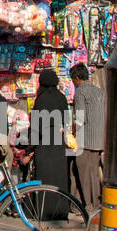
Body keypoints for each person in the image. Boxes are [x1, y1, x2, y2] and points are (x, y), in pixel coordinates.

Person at [30, 68, 72, 220]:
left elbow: (36, 125)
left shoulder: (41, 99)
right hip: (58, 143)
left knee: (45, 176)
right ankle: (60, 211)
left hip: (44, 144)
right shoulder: (61, 97)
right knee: (59, 177)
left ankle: (44, 211)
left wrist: (30, 146)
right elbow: (66, 120)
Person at [69, 64, 105, 213]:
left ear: (77, 78)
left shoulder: (80, 92)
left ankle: (89, 205)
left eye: (73, 80)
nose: (73, 83)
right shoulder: (98, 91)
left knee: (83, 173)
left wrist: (72, 133)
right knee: (93, 173)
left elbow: (79, 119)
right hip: (98, 139)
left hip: (86, 139)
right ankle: (91, 202)